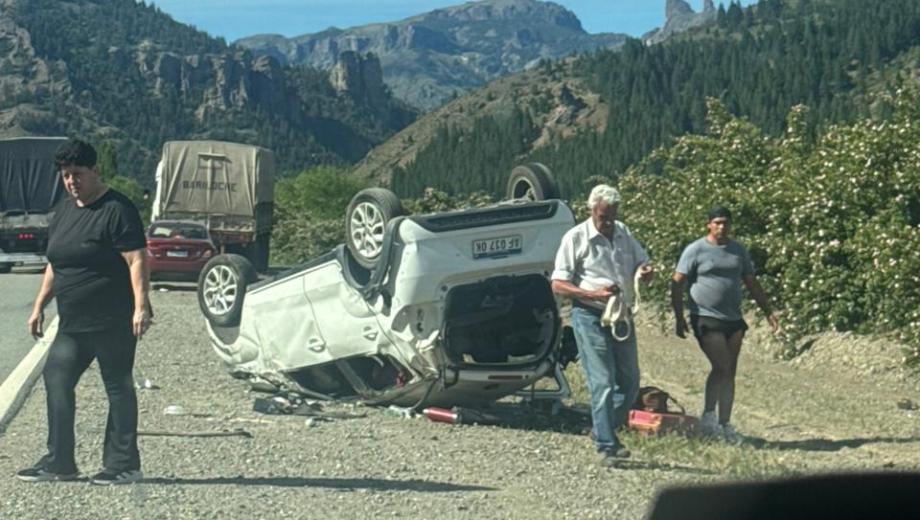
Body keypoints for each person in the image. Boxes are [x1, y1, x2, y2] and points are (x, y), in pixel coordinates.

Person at [17, 139, 152, 485]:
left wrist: (141, 306)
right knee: (57, 380)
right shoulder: (64, 211)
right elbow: (55, 264)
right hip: (73, 324)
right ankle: (60, 462)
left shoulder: (117, 209)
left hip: (112, 321)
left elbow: (136, 258)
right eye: (65, 175)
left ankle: (123, 465)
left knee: (117, 386)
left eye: (77, 174)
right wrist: (38, 307)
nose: (71, 181)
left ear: (95, 170)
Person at [551, 184, 654, 466]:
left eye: (611, 216)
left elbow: (641, 261)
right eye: (602, 216)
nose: (607, 222)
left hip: (621, 314)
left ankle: (602, 428)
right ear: (591, 210)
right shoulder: (575, 238)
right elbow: (558, 284)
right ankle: (607, 444)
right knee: (603, 381)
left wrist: (644, 272)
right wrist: (592, 294)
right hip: (589, 314)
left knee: (630, 381)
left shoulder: (623, 233)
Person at [671, 206, 779, 444]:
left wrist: (768, 311)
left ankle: (725, 423)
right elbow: (677, 282)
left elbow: (751, 281)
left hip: (733, 318)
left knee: (730, 371)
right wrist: (679, 316)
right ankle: (709, 416)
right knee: (721, 365)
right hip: (705, 317)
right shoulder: (695, 249)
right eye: (717, 222)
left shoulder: (737, 250)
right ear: (709, 224)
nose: (722, 227)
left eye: (726, 223)